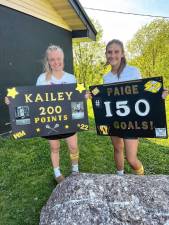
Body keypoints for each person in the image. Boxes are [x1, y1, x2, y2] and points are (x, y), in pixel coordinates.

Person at [6, 45, 79, 183]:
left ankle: (75, 171)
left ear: (63, 59)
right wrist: (13, 100)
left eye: (58, 58)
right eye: (52, 59)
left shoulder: (71, 78)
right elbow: (32, 100)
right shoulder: (42, 79)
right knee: (54, 147)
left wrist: (84, 97)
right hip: (49, 119)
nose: (56, 62)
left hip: (68, 119)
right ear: (48, 61)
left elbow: (76, 99)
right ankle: (57, 173)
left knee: (74, 146)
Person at [103, 39, 168, 176]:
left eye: (116, 51)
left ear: (122, 54)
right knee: (117, 148)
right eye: (109, 52)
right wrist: (93, 96)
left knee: (131, 159)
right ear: (106, 55)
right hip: (114, 118)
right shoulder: (106, 77)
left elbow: (143, 94)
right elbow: (107, 98)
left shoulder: (133, 71)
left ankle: (141, 180)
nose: (112, 55)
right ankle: (120, 176)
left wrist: (159, 95)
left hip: (132, 119)